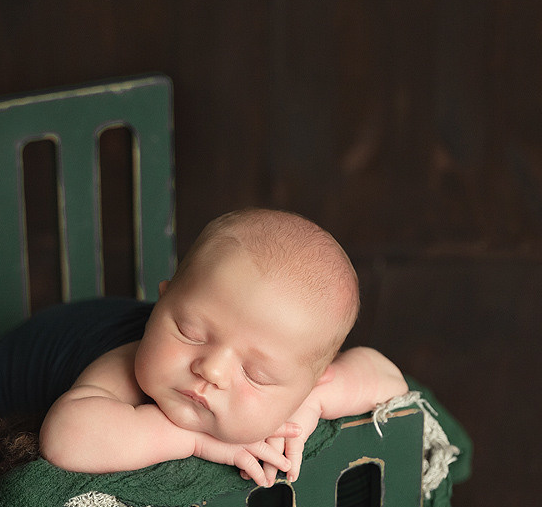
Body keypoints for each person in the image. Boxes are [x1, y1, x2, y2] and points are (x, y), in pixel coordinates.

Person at [37, 207, 409, 487]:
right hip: (7, 367)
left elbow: (390, 378)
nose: (211, 370)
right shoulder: (127, 360)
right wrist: (195, 441)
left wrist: (313, 402)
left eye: (256, 374)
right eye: (190, 332)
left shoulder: (305, 387)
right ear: (161, 302)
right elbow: (65, 438)